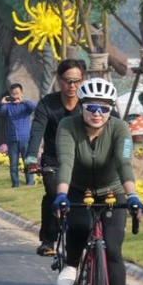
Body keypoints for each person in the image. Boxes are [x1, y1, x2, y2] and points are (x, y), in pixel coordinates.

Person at [51, 78, 143, 285]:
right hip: (78, 189)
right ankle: (71, 264)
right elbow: (66, 161)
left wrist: (133, 194)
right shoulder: (67, 126)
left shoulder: (120, 128)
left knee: (113, 250)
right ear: (81, 106)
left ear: (111, 109)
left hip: (112, 191)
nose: (97, 114)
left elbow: (124, 163)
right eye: (91, 107)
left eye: (104, 108)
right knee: (79, 224)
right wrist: (61, 194)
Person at [25, 58, 120, 257]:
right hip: (54, 161)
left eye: (76, 81)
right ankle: (49, 238)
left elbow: (112, 124)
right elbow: (37, 131)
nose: (72, 86)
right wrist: (32, 156)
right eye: (67, 80)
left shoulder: (89, 105)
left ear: (83, 81)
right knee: (54, 195)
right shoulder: (47, 104)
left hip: (83, 162)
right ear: (59, 80)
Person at [0, 83, 37, 188]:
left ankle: (30, 182)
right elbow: (0, 110)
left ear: (22, 93)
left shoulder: (25, 106)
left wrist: (23, 100)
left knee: (27, 162)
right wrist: (2, 103)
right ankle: (15, 183)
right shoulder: (8, 107)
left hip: (25, 139)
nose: (16, 95)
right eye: (13, 94)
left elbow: (34, 107)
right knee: (13, 164)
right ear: (10, 94)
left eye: (18, 93)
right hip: (12, 139)